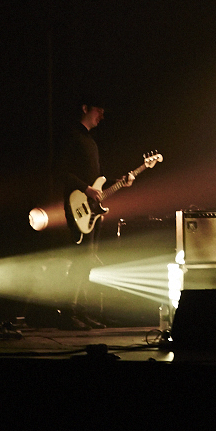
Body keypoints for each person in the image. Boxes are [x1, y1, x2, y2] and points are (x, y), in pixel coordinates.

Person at [55, 99, 133, 328]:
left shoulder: (91, 142)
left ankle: (81, 311)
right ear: (85, 108)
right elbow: (59, 170)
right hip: (77, 206)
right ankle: (68, 314)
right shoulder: (71, 136)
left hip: (92, 212)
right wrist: (85, 188)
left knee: (88, 261)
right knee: (80, 260)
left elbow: (97, 179)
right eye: (99, 110)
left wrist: (119, 183)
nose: (102, 115)